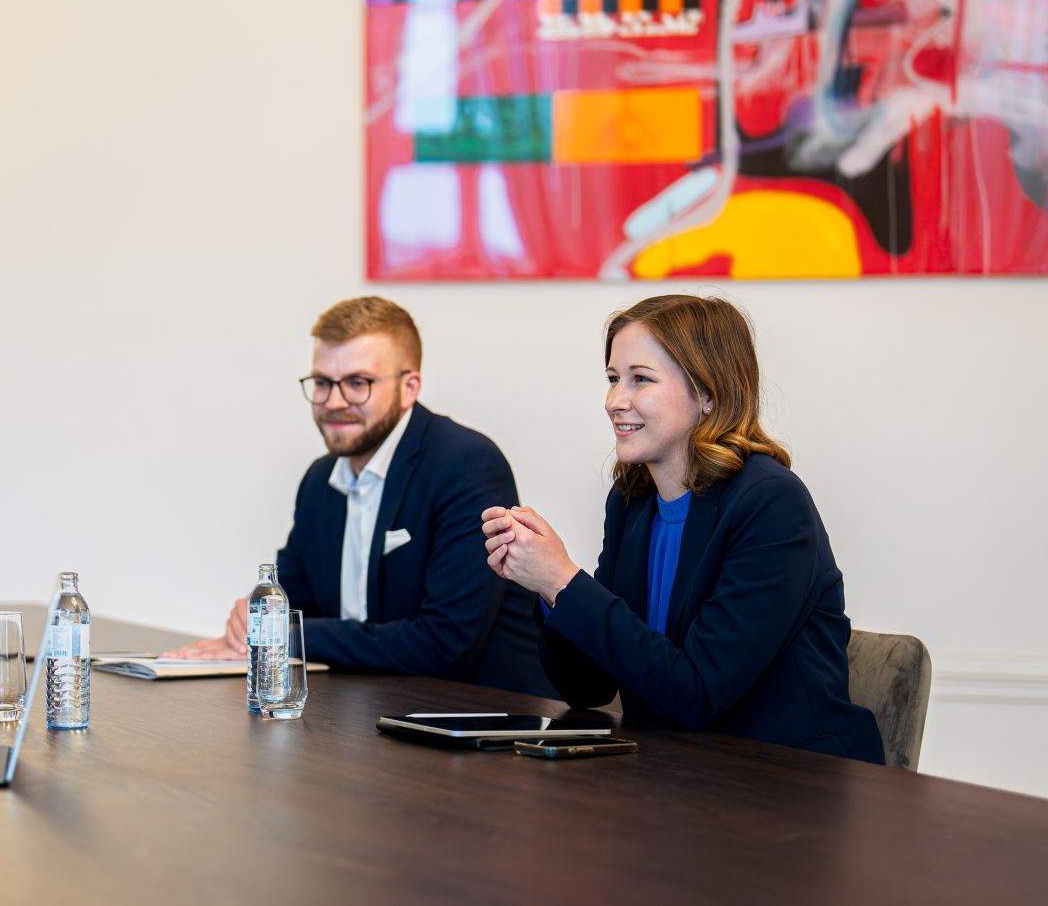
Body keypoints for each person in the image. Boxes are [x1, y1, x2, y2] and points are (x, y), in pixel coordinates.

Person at [482, 294, 882, 763]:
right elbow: (589, 687)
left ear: (708, 394)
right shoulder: (633, 500)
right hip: (675, 776)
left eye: (640, 380)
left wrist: (562, 580)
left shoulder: (772, 503)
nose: (614, 401)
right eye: (613, 379)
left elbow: (696, 693)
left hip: (786, 781)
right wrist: (550, 593)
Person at [170, 297, 549, 693]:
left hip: (484, 721)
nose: (334, 402)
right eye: (321, 383)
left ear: (409, 388)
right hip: (364, 710)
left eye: (357, 383)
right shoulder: (320, 480)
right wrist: (248, 628)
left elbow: (444, 644)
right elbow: (289, 600)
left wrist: (282, 634)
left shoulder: (466, 464)